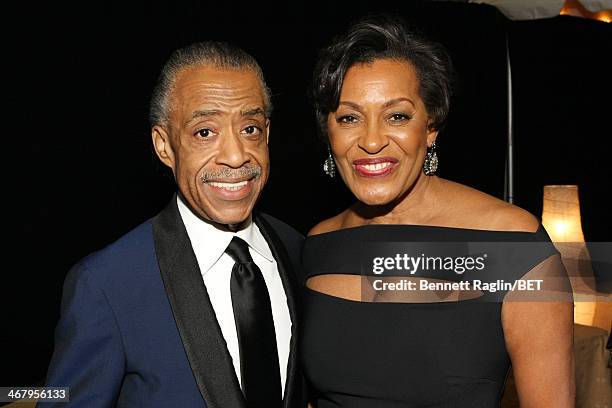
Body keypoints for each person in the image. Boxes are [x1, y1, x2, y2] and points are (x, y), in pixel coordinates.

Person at [301, 15, 575, 407]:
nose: (373, 141)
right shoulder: (318, 244)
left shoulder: (513, 245)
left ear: (430, 126)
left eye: (397, 116)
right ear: (329, 132)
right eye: (349, 118)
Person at [41, 41, 306, 408]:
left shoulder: (298, 250)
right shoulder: (106, 284)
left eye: (250, 128)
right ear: (164, 146)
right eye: (204, 132)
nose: (236, 155)